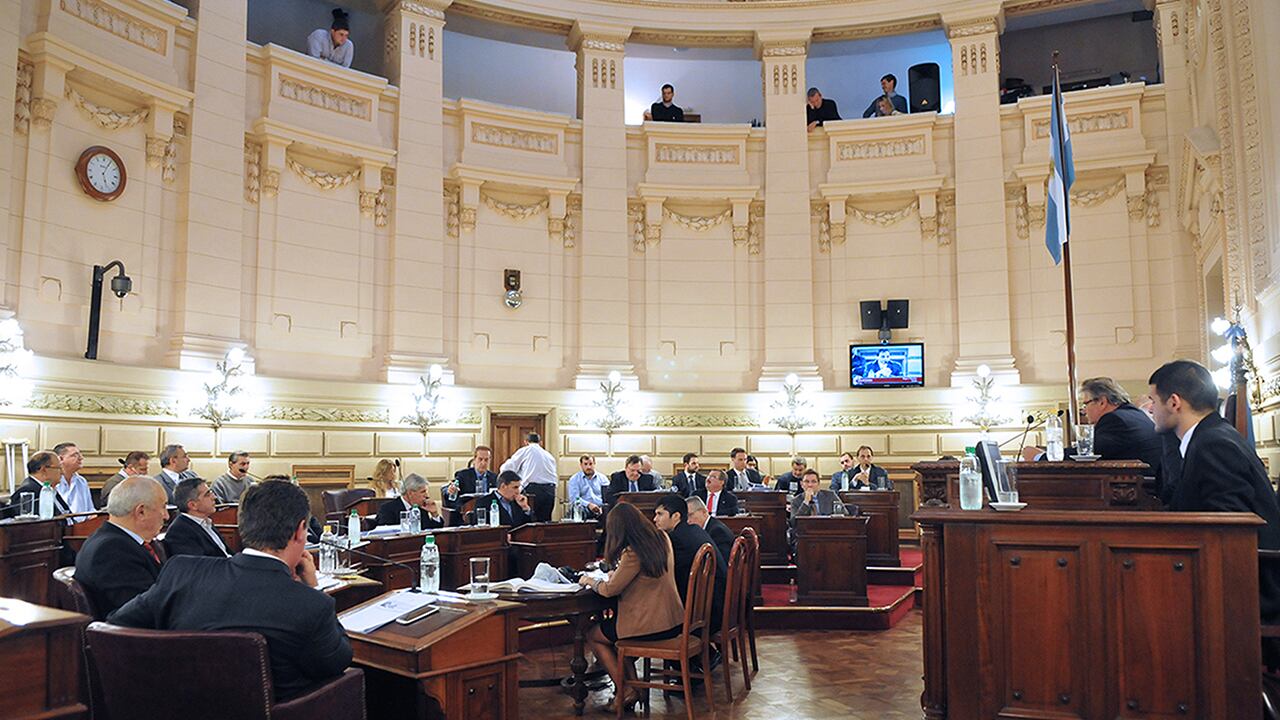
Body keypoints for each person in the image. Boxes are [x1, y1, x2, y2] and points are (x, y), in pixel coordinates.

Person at [110, 480, 353, 702]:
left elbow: (117, 625)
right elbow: (338, 662)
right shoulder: (310, 604)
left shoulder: (180, 572)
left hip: (174, 706)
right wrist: (312, 588)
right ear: (301, 531)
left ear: (242, 525)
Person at [1147, 360, 1280, 622]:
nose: (1150, 409)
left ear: (1174, 402)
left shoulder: (1213, 444)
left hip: (1252, 588)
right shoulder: (1209, 436)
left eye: (1153, 400)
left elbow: (1231, 527)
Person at [579, 502, 684, 714]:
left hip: (648, 624)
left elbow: (610, 590)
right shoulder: (661, 538)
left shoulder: (632, 551)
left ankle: (625, 689)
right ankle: (633, 689)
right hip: (673, 620)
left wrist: (589, 581)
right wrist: (615, 577)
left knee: (593, 634)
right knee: (616, 638)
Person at [1021, 378, 1165, 482]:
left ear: (1102, 402)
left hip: (1137, 490)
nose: (1084, 411)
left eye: (1086, 404)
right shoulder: (1133, 414)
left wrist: (1039, 458)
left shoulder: (1116, 420)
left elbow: (1086, 454)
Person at [75, 476, 167, 618]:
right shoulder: (111, 550)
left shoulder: (112, 540)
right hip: (134, 637)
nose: (166, 516)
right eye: (163, 507)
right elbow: (143, 611)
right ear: (141, 512)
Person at [654, 494, 726, 633]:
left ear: (676, 516)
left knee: (653, 623)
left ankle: (703, 654)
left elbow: (662, 572)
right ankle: (708, 655)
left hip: (704, 615)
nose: (655, 519)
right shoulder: (695, 530)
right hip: (716, 605)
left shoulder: (676, 539)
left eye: (660, 514)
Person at [163, 478, 230, 558]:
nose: (214, 497)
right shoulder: (180, 531)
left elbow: (226, 552)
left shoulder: (206, 522)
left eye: (211, 492)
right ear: (193, 505)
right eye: (207, 495)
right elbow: (199, 566)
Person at [500, 433, 558, 522]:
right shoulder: (549, 455)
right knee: (545, 522)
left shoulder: (526, 450)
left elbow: (507, 468)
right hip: (550, 491)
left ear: (526, 442)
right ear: (540, 443)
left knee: (529, 520)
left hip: (533, 491)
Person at [4, 450, 69, 518]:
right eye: (59, 468)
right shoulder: (27, 490)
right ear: (43, 469)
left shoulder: (50, 489)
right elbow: (33, 524)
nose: (62, 472)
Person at [373, 473, 444, 529]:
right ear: (410, 493)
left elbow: (434, 534)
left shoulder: (422, 508)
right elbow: (385, 535)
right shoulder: (387, 509)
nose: (427, 495)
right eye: (423, 492)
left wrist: (435, 514)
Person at [686, 496, 733, 566]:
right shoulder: (709, 526)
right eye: (686, 517)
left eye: (690, 515)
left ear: (704, 512)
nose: (688, 521)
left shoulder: (718, 531)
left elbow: (721, 563)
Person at [53, 442, 94, 520]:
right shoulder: (53, 482)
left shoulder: (82, 481)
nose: (81, 458)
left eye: (80, 454)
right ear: (60, 459)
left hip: (83, 527)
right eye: (75, 455)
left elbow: (90, 510)